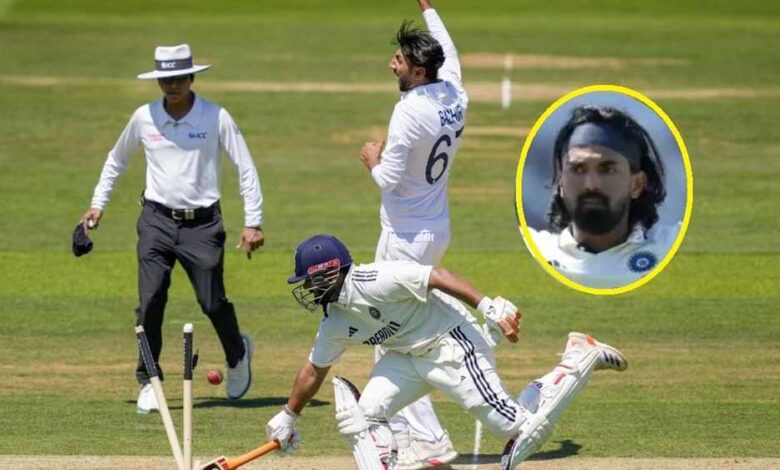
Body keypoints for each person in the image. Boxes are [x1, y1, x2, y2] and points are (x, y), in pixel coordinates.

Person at [265, 234, 628, 470]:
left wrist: (487, 307)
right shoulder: (335, 321)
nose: (307, 289)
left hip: (451, 343)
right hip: (406, 358)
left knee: (517, 428)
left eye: (309, 280)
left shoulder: (377, 279)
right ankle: (396, 460)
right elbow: (313, 370)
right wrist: (288, 415)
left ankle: (579, 357)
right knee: (366, 414)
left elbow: (437, 275)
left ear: (328, 273)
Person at [80, 44, 264, 413]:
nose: (173, 85)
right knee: (150, 301)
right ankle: (149, 378)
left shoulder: (216, 116)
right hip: (156, 221)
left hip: (203, 225)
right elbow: (116, 161)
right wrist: (98, 204)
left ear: (191, 77)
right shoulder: (144, 117)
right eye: (166, 79)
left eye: (179, 78)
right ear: (158, 80)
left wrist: (253, 222)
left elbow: (245, 167)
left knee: (212, 302)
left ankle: (237, 353)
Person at [359, 0, 467, 466]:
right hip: (434, 228)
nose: (392, 64)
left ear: (419, 71)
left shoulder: (408, 113)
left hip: (404, 237)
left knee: (392, 336)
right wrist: (429, 8)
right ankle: (404, 433)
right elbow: (450, 49)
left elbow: (387, 179)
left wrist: (371, 159)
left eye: (399, 60)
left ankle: (428, 438)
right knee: (391, 332)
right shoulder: (455, 92)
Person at [529, 104, 677, 288]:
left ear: (637, 184)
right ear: (560, 182)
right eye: (578, 169)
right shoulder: (537, 249)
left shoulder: (669, 246)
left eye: (607, 170)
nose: (591, 185)